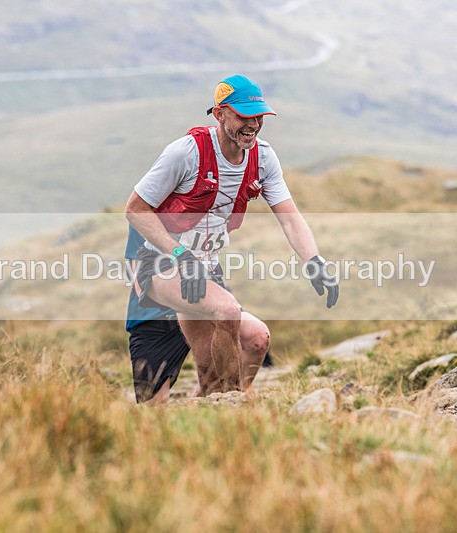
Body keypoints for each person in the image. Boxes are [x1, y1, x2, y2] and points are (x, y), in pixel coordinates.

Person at [125, 74, 338, 395]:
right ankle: (232, 404)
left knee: (254, 339)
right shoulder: (186, 153)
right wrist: (180, 255)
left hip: (203, 270)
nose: (253, 124)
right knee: (224, 313)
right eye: (243, 116)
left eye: (259, 116)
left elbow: (290, 218)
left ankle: (219, 403)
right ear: (219, 114)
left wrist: (314, 261)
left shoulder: (263, 157)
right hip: (158, 264)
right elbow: (135, 210)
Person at [125, 225, 273, 404]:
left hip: (200, 307)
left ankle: (233, 399)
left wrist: (221, 300)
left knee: (256, 336)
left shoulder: (207, 213)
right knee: (153, 405)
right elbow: (136, 273)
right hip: (155, 318)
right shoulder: (147, 215)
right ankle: (205, 402)